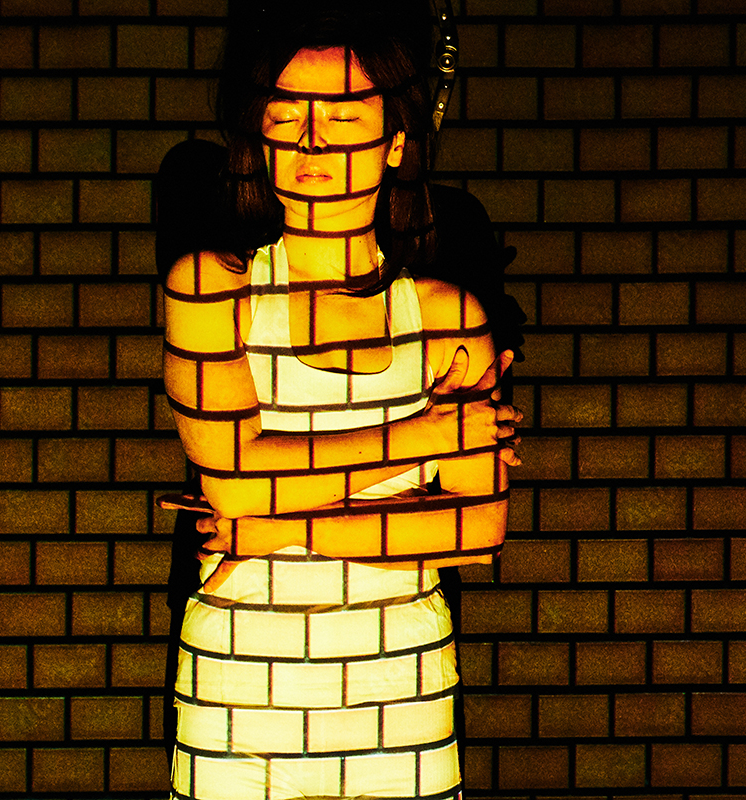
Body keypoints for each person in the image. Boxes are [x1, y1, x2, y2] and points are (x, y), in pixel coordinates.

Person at [160, 4, 520, 798]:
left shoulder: (448, 316)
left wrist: (279, 525)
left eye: (344, 116)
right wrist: (426, 436)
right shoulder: (213, 289)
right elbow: (236, 485)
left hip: (403, 690)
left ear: (393, 140)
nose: (312, 142)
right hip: (238, 690)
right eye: (288, 117)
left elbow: (477, 527)